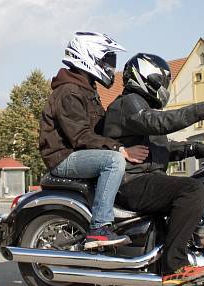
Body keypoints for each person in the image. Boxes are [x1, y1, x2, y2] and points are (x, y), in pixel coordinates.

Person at [101, 53, 204, 286]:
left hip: (146, 178)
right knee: (192, 190)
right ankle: (174, 266)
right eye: (160, 81)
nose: (164, 87)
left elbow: (162, 147)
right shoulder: (129, 103)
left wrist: (196, 148)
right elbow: (159, 123)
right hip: (131, 182)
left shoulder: (143, 108)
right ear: (145, 79)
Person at [39, 31, 150, 249]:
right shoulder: (69, 91)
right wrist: (120, 149)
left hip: (79, 154)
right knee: (114, 161)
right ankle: (99, 228)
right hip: (63, 157)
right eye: (106, 60)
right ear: (87, 56)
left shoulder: (87, 88)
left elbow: (102, 128)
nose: (110, 66)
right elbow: (80, 136)